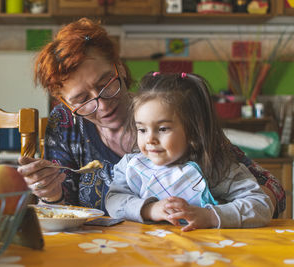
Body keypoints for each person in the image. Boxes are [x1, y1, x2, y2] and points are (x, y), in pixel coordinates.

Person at [17, 17, 285, 218]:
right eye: (81, 99)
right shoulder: (65, 123)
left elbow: (271, 190)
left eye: (105, 83)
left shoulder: (167, 111)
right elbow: (61, 212)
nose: (101, 104)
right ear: (64, 102)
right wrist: (51, 195)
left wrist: (213, 214)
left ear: (119, 67)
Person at [105, 72, 274, 231]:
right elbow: (113, 201)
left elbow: (261, 205)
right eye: (142, 129)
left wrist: (210, 216)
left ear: (193, 132)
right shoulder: (131, 166)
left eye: (162, 129)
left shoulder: (216, 167)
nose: (149, 139)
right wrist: (150, 209)